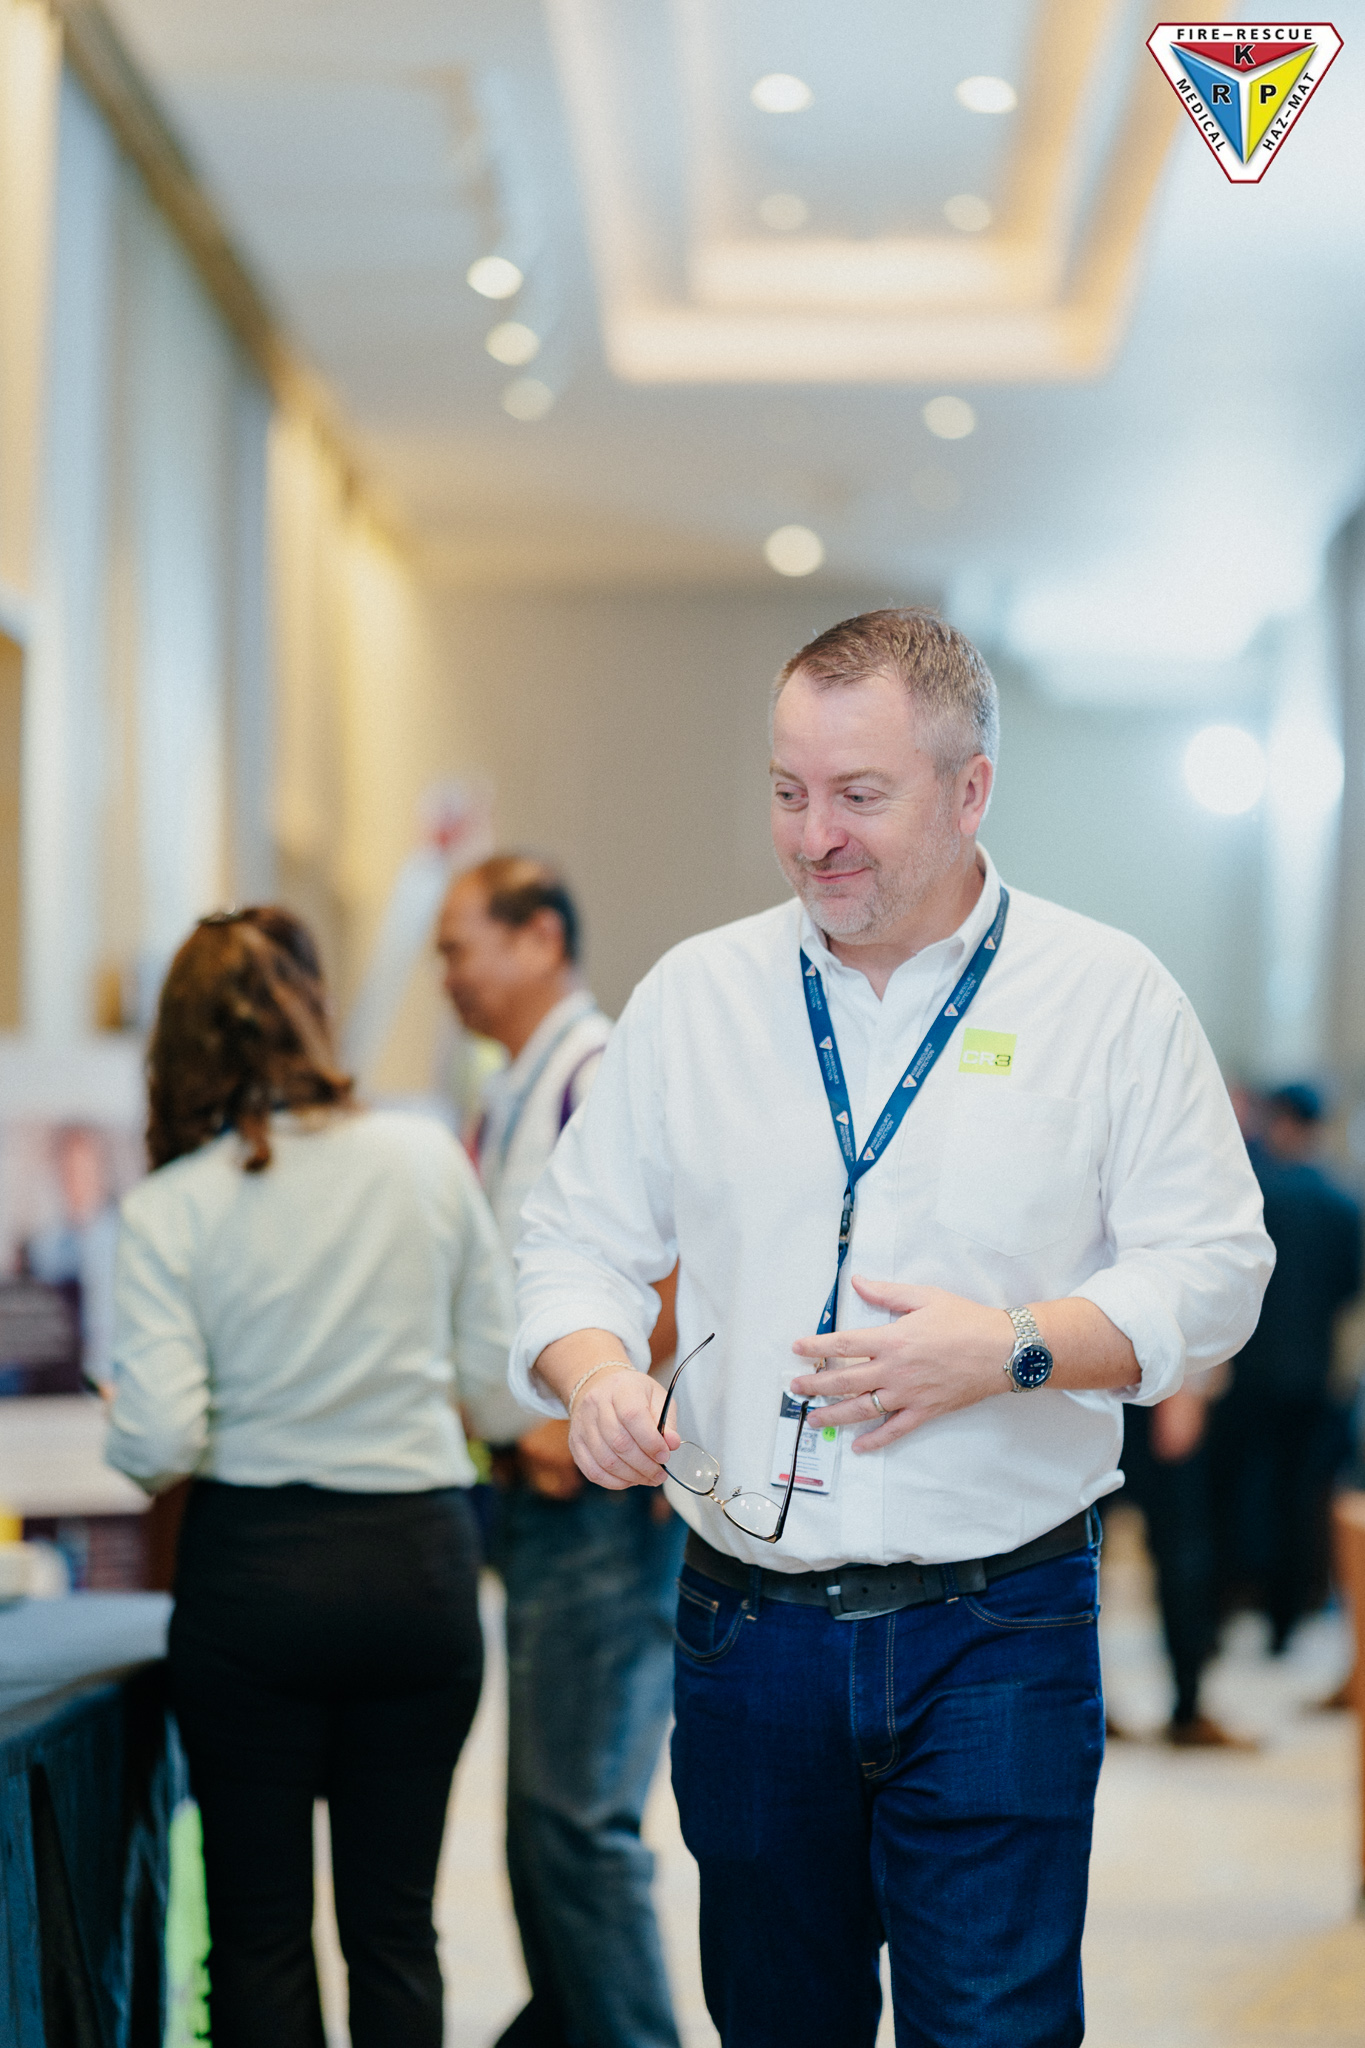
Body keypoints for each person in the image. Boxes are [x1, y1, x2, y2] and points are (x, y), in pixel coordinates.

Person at [506, 608, 1273, 2048]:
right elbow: (570, 1246)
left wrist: (1013, 1347)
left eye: (860, 795)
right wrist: (597, 1371)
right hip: (745, 1622)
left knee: (992, 2025)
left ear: (970, 789)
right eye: (788, 791)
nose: (815, 838)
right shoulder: (697, 996)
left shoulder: (1105, 996)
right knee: (775, 2020)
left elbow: (1218, 1266)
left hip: (1001, 1624)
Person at [106, 906, 529, 2048]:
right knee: (395, 1931)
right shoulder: (424, 1158)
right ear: (316, 1010)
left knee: (256, 1935)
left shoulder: (171, 1205)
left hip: (254, 1586)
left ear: (176, 1044)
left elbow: (157, 1440)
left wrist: (131, 1415)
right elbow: (500, 1396)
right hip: (418, 1573)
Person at [437, 856, 685, 2048]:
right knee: (542, 1827)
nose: (445, 974)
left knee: (578, 1824)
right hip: (535, 1498)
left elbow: (675, 1260)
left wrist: (591, 1411)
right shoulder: (519, 1082)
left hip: (597, 1497)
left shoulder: (599, 1068)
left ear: (540, 936)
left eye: (459, 945)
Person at [1210, 1082, 1362, 1652]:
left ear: (1281, 1121)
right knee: (1303, 1495)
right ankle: (1289, 1616)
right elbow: (1348, 1290)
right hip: (1316, 1376)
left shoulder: (1254, 1197)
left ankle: (1236, 1601)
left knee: (1244, 1488)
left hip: (1249, 1370)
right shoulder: (1343, 1203)